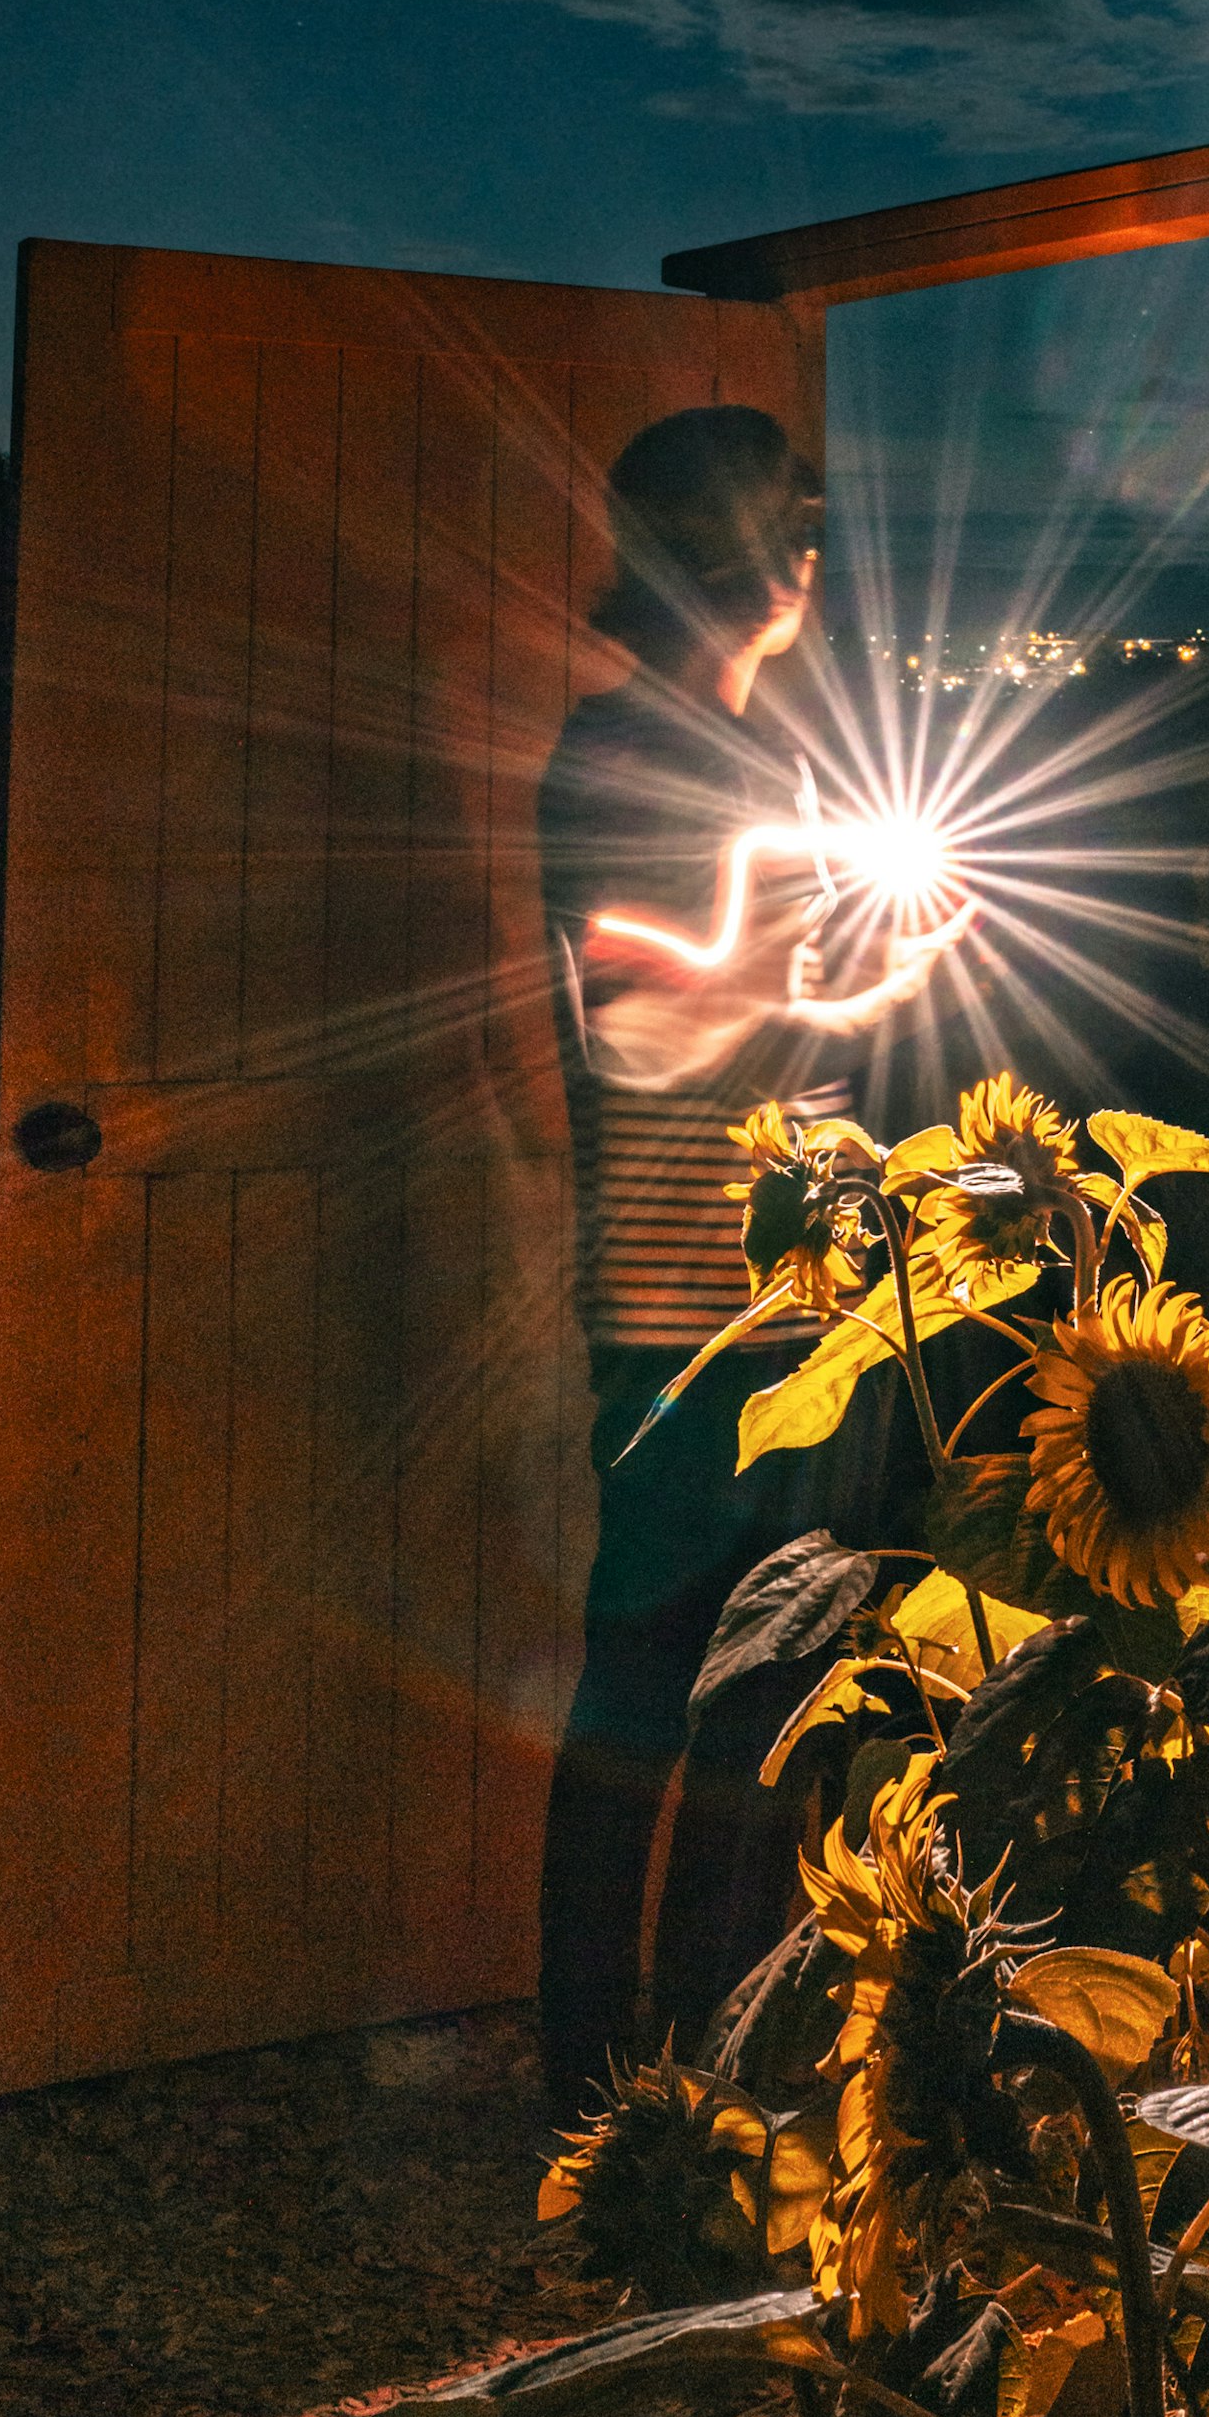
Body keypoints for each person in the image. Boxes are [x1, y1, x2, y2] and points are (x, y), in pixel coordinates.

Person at [532, 406, 967, 2117]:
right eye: (786, 523)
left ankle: (685, 2072)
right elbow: (639, 1029)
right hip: (677, 1310)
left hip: (781, 1309)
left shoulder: (748, 760)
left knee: (748, 1702)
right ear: (718, 552)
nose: (809, 555)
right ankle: (623, 2085)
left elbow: (752, 1020)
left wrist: (879, 974)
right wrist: (829, 975)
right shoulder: (628, 754)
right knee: (670, 1689)